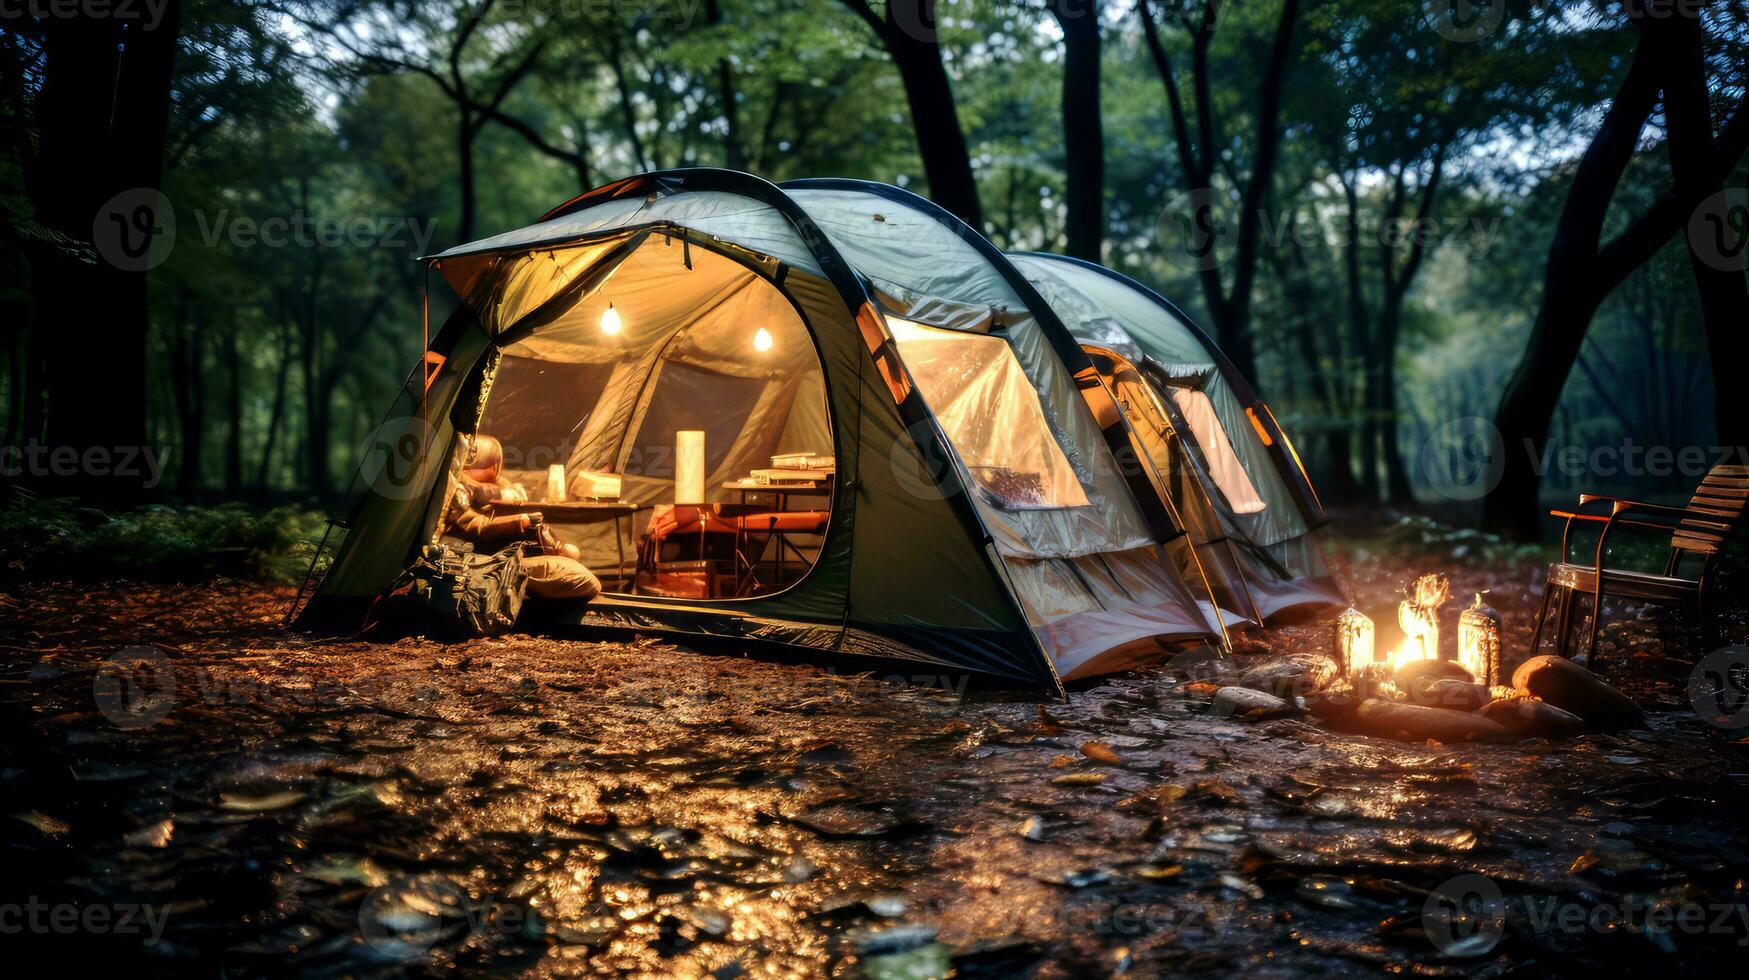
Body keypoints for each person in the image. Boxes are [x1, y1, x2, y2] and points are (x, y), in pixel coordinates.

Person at [443, 435, 600, 602]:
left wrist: (504, 492)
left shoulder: (485, 488)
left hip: (491, 553)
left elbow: (496, 490)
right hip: (471, 557)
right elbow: (473, 525)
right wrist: (519, 521)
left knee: (567, 563)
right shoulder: (456, 488)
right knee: (574, 574)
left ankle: (552, 549)